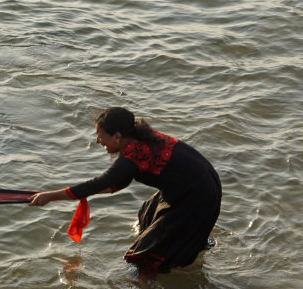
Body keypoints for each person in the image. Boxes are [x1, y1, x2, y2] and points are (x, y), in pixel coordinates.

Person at [29, 107, 221, 275]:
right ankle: (186, 245)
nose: (97, 141)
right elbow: (117, 184)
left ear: (118, 136)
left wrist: (51, 196)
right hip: (198, 186)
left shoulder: (134, 154)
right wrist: (75, 194)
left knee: (143, 258)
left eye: (101, 135)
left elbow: (99, 183)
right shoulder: (138, 139)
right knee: (147, 214)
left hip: (196, 195)